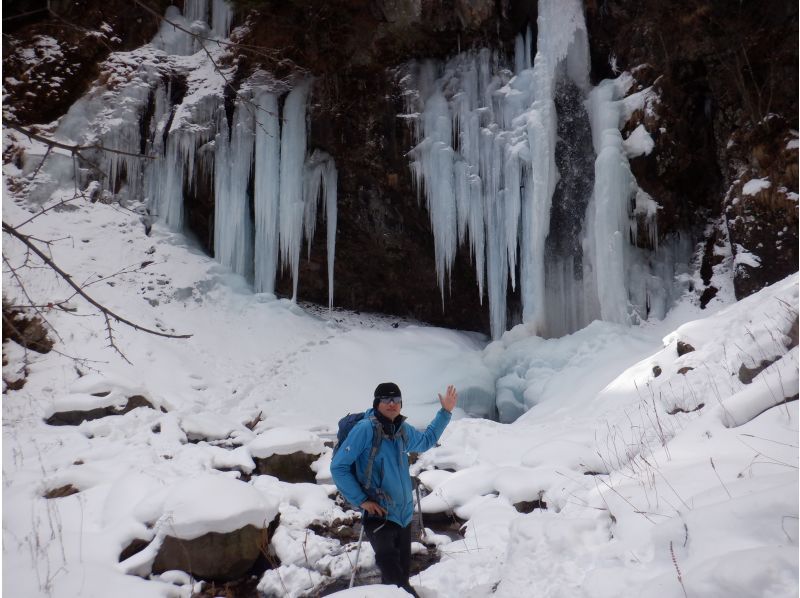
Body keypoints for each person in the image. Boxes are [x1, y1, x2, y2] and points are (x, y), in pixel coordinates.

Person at [331, 382, 458, 597]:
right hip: (378, 514)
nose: (392, 404)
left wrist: (445, 412)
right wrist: (362, 500)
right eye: (386, 400)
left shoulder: (401, 429)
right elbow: (338, 467)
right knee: (397, 582)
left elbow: (426, 441)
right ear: (377, 403)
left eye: (396, 400)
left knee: (397, 580)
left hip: (404, 515)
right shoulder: (365, 430)